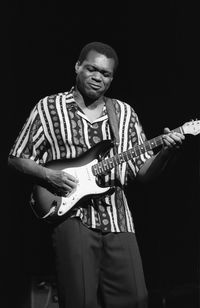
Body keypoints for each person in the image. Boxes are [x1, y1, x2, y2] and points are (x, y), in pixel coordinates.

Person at [8, 41, 185, 308]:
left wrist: (167, 152)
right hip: (71, 216)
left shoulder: (124, 114)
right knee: (79, 299)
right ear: (78, 66)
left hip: (118, 218)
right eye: (92, 69)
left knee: (136, 299)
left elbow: (143, 173)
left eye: (106, 74)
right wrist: (48, 176)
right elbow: (16, 158)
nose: (98, 78)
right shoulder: (49, 107)